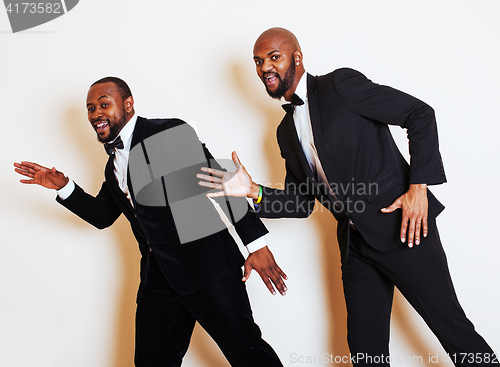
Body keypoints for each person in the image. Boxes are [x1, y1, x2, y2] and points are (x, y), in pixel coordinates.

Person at [197, 28, 498, 366]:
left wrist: (418, 188)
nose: (266, 67)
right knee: (365, 351)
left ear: (297, 57)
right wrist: (254, 191)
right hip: (355, 245)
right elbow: (301, 204)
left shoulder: (340, 86)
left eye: (274, 57)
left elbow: (419, 114)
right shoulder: (285, 131)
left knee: (453, 331)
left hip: (404, 228)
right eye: (259, 61)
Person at [14, 77, 287, 367]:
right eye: (90, 109)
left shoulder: (168, 132)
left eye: (104, 104)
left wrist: (256, 244)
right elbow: (103, 216)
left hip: (208, 268)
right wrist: (64, 187)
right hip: (159, 280)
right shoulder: (113, 166)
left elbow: (219, 183)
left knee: (249, 354)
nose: (96, 114)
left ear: (128, 104)